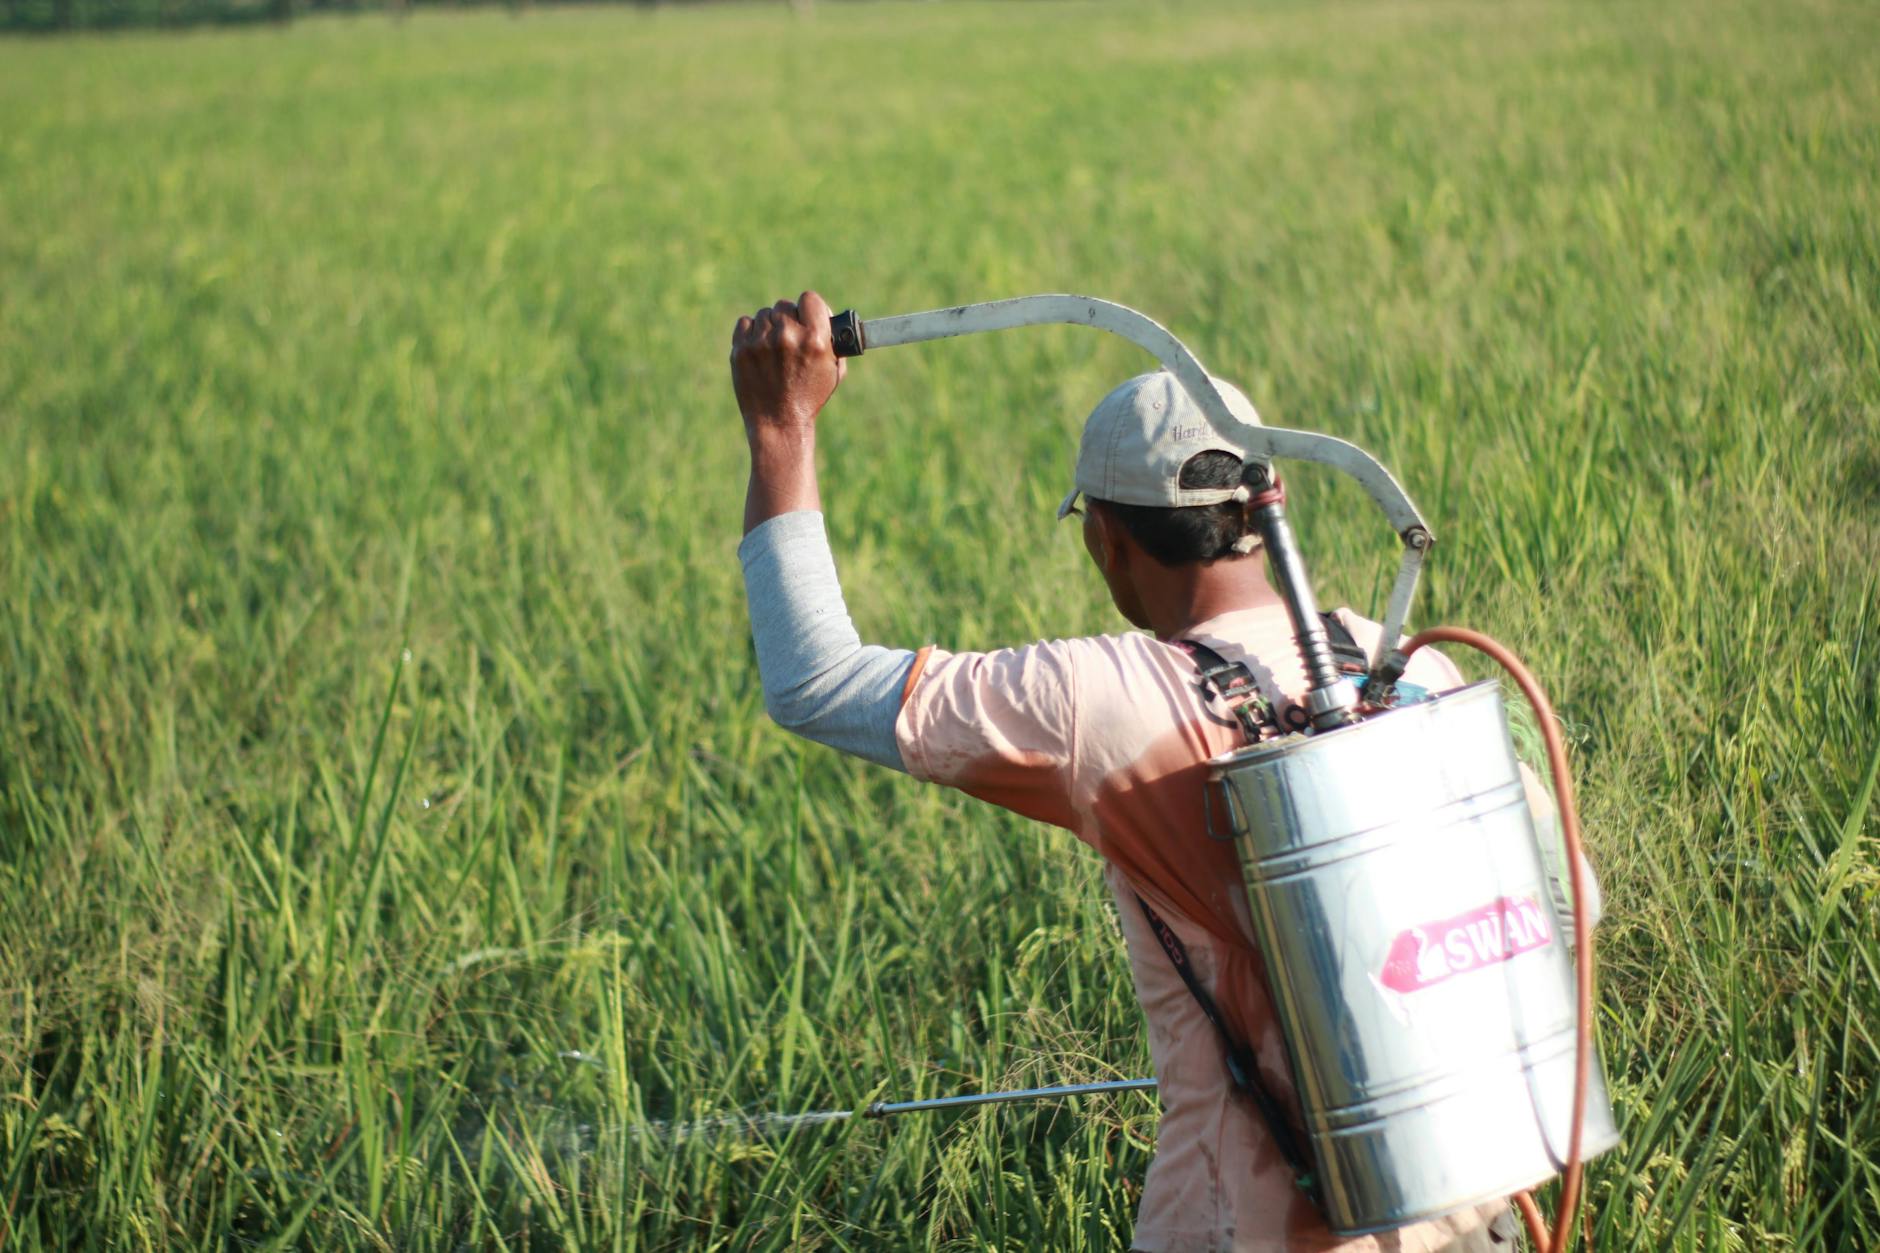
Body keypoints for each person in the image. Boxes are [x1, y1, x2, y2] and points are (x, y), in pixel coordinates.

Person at [729, 291, 1534, 1252]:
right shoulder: (1405, 665)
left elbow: (813, 681)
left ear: (1103, 537)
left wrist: (782, 429)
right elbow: (1568, 905)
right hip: (1483, 1201)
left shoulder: (1104, 699)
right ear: (1261, 508)